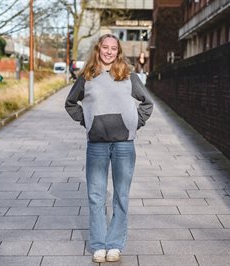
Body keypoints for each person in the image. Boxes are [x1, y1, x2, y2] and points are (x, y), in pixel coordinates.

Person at [65, 34, 153, 263]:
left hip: (124, 144)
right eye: (106, 47)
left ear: (118, 51)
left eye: (114, 48)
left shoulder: (127, 75)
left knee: (121, 195)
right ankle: (98, 245)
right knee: (96, 196)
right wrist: (87, 121)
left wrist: (135, 123)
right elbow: (70, 103)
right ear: (98, 49)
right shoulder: (87, 76)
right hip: (97, 146)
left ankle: (114, 244)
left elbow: (147, 102)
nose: (109, 51)